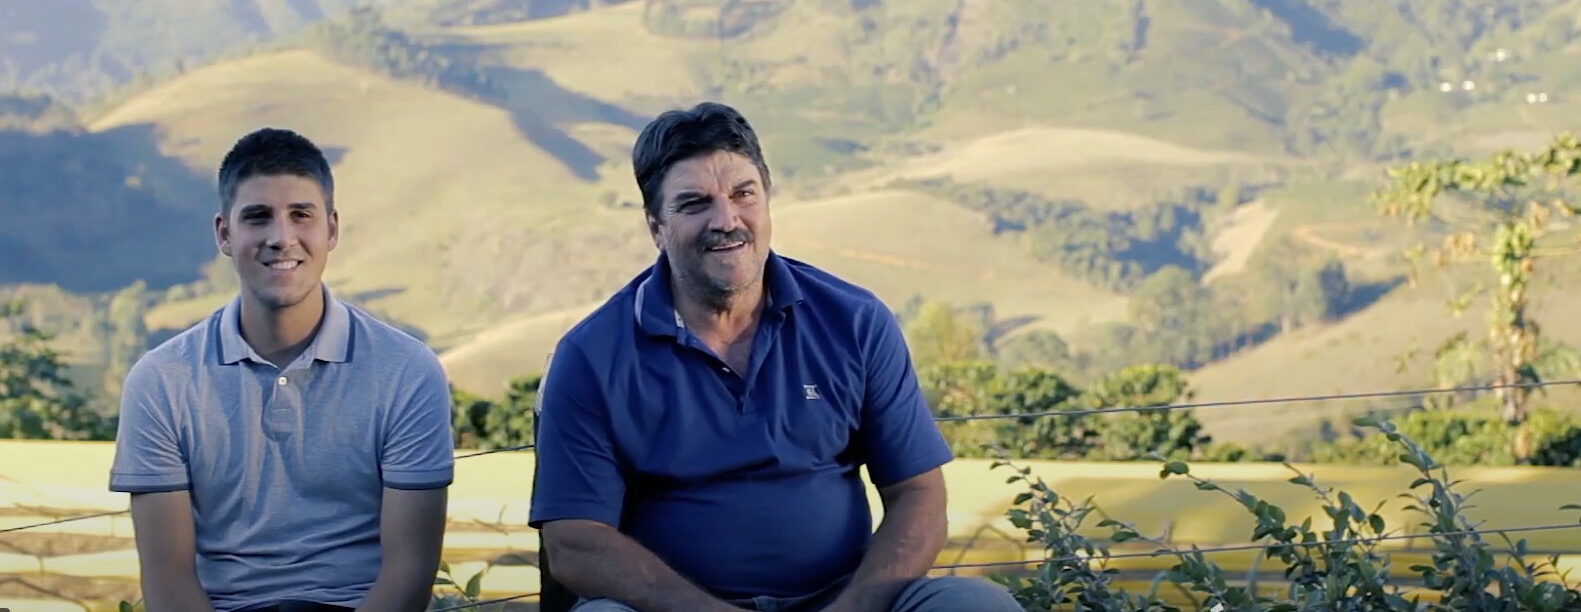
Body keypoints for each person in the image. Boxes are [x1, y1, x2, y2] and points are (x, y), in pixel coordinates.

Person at [529, 102, 1023, 612]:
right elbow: (575, 541)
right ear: (656, 226)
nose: (727, 220)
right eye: (695, 203)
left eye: (744, 194)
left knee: (976, 603)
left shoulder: (854, 321)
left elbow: (919, 496)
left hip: (845, 602)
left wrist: (855, 608)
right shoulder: (591, 355)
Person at [108, 128, 454, 612]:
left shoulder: (408, 372)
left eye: (301, 215)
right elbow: (167, 578)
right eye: (257, 217)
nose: (281, 237)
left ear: (331, 230)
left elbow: (409, 573)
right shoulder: (160, 381)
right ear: (224, 234)